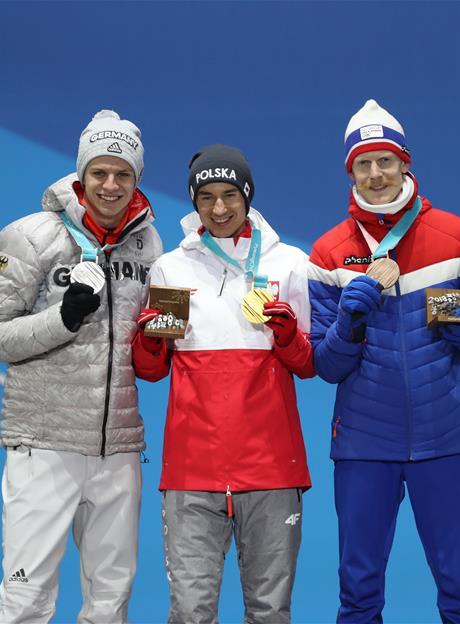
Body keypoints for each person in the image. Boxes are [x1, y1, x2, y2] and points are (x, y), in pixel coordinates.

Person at [307, 100, 460, 623]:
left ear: (405, 163)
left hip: (443, 437)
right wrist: (350, 323)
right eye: (363, 164)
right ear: (349, 170)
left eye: (385, 161)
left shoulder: (457, 235)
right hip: (364, 445)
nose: (375, 175)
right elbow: (325, 366)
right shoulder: (328, 252)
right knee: (359, 595)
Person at [0, 109, 163, 623]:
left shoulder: (149, 245)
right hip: (44, 442)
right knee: (27, 598)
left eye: (123, 173)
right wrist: (64, 319)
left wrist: (160, 343)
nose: (110, 184)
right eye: (99, 171)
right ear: (80, 174)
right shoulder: (31, 236)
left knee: (110, 600)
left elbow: (149, 343)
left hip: (119, 447)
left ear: (136, 178)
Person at [131, 144, 314, 623]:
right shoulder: (171, 268)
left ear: (248, 194)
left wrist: (288, 335)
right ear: (193, 201)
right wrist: (149, 339)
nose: (218, 208)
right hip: (193, 470)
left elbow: (311, 363)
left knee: (270, 613)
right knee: (191, 614)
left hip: (272, 468)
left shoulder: (291, 263)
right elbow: (152, 370)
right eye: (206, 196)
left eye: (230, 194)